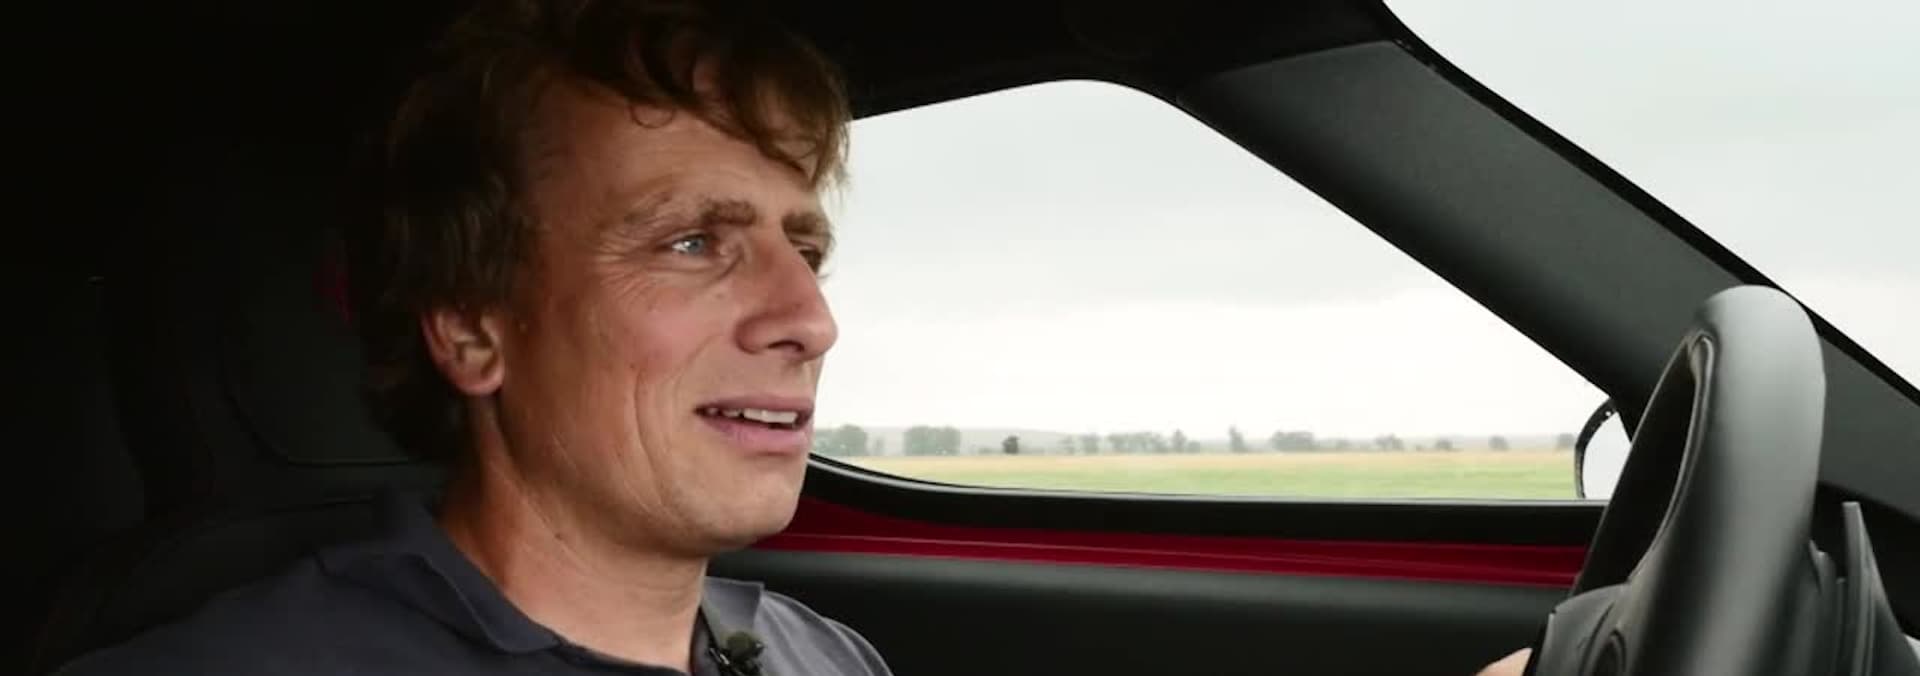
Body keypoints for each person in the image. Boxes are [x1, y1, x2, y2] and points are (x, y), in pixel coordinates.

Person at [57, 1, 1532, 674]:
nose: (809, 319)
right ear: (471, 328)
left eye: (803, 246)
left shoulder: (810, 650)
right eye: (694, 242)